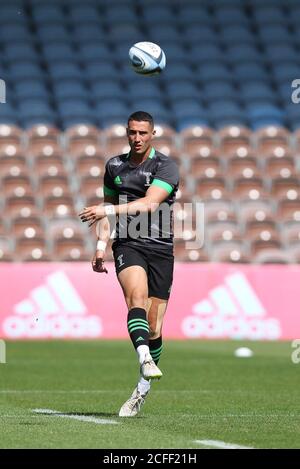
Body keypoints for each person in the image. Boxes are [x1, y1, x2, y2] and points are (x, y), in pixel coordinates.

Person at [79, 111, 179, 417]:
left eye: (143, 134)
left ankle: (141, 390)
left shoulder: (165, 166)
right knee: (135, 296)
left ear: (152, 135)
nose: (137, 139)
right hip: (129, 244)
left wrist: (108, 209)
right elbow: (107, 213)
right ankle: (144, 358)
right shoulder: (114, 166)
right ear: (127, 132)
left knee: (155, 326)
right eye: (132, 133)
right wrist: (101, 246)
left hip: (161, 248)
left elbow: (150, 204)